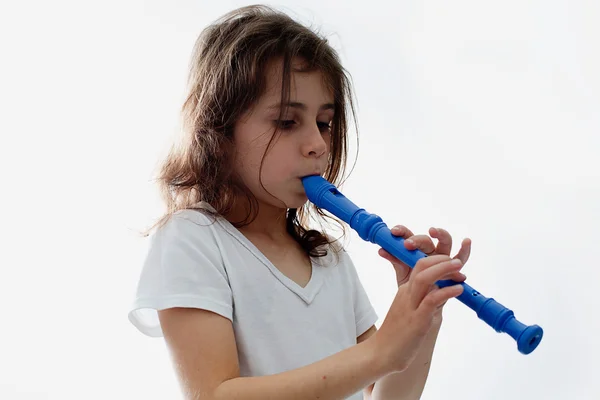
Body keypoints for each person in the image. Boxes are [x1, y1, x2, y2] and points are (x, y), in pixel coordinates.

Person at [128, 5, 472, 400]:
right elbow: (214, 394)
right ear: (219, 130)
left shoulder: (330, 258)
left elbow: (387, 395)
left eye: (324, 123)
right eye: (288, 122)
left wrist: (423, 318)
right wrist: (380, 353)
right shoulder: (193, 238)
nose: (318, 145)